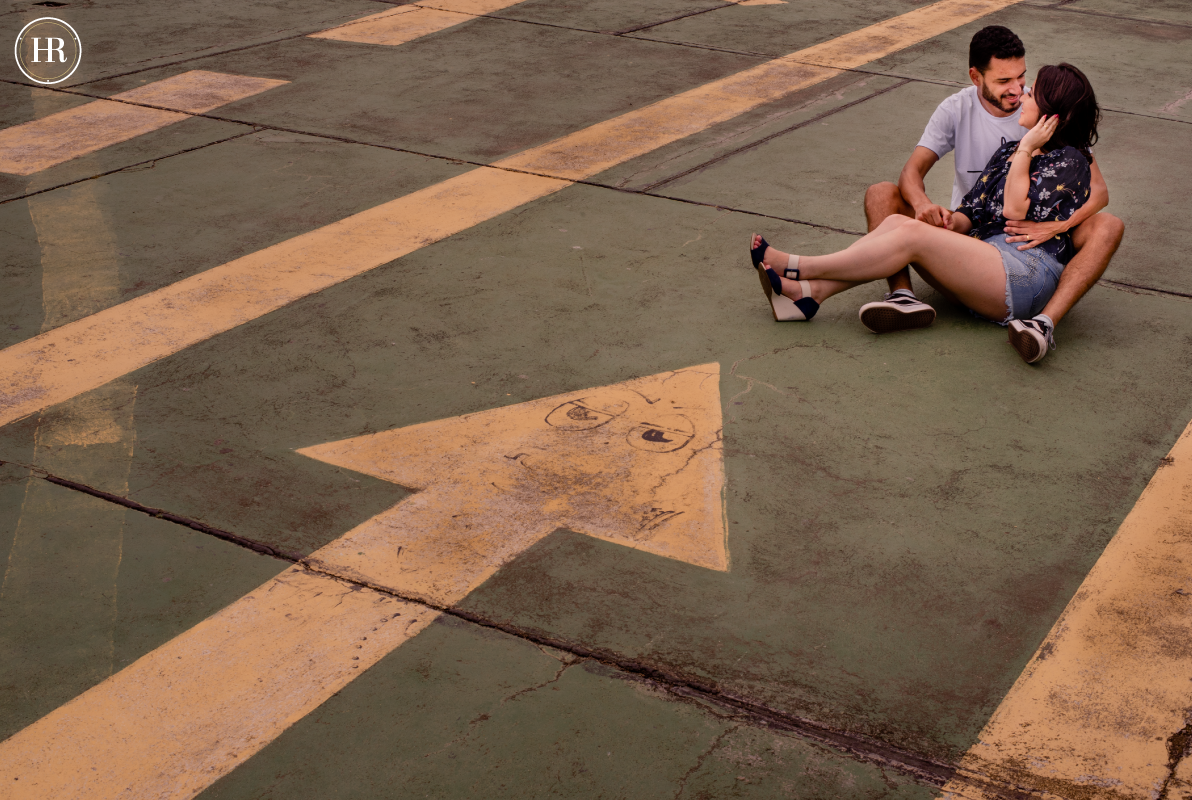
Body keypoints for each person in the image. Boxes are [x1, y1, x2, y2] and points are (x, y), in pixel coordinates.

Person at [747, 63, 1103, 364]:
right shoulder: (1008, 152)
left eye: (1032, 92)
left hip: (1027, 273)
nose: (1022, 94)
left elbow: (1013, 209)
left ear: (1053, 115)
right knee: (900, 222)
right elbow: (972, 213)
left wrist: (1027, 148)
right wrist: (949, 222)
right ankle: (809, 295)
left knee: (910, 235)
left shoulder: (1070, 160)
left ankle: (800, 267)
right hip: (989, 263)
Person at [856, 26, 1123, 363]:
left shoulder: (1042, 113)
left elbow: (1099, 191)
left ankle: (1044, 323)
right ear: (975, 76)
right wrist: (924, 207)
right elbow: (912, 172)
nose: (1016, 90)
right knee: (882, 194)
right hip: (971, 226)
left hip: (1022, 238)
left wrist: (1059, 225)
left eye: (1021, 78)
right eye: (1002, 81)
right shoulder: (956, 109)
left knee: (1107, 225)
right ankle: (903, 297)